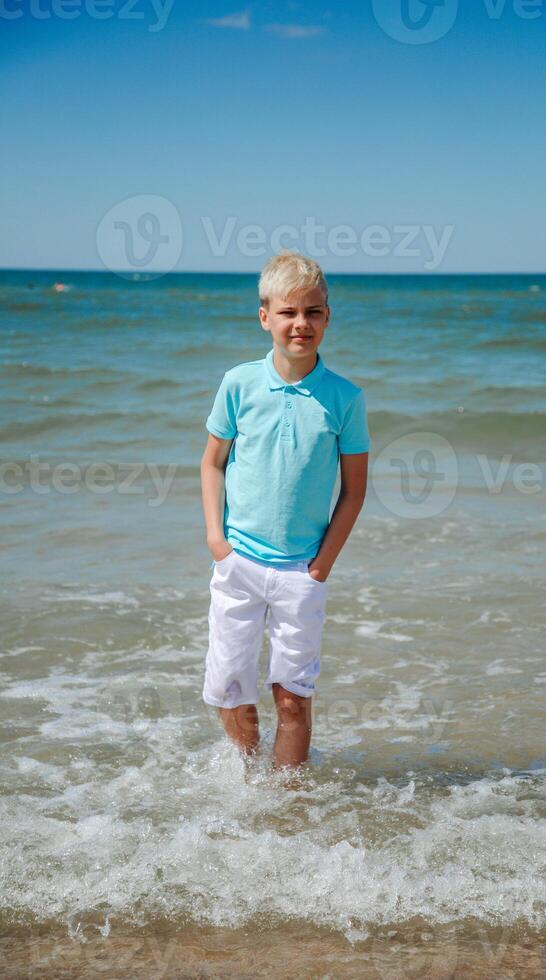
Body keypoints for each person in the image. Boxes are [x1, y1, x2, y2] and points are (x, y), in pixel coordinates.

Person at [200, 250, 370, 773]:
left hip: (302, 569)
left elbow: (354, 491)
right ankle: (248, 788)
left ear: (327, 319)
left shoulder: (344, 398)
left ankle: (292, 806)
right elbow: (212, 464)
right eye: (289, 312)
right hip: (239, 563)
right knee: (233, 691)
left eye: (313, 312)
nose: (301, 324)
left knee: (293, 698)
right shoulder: (239, 383)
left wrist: (321, 566)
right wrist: (217, 541)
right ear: (265, 317)